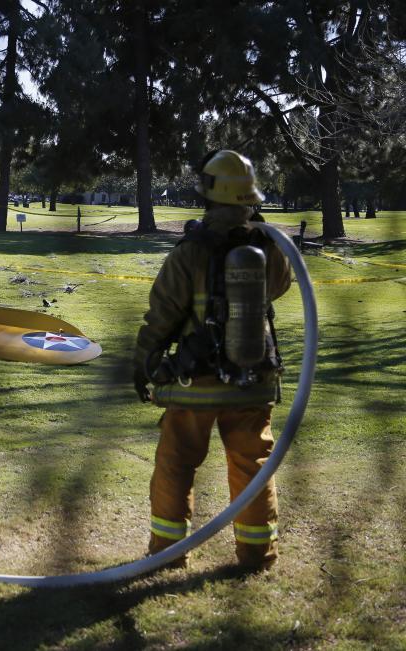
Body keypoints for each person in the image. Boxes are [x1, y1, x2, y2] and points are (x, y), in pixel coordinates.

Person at [133, 150, 292, 572]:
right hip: (254, 379)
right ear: (250, 196)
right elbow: (279, 288)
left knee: (176, 463)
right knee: (252, 467)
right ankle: (258, 555)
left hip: (196, 383)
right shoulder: (269, 246)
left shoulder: (190, 250)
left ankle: (166, 556)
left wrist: (142, 360)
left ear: (206, 193)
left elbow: (162, 313)